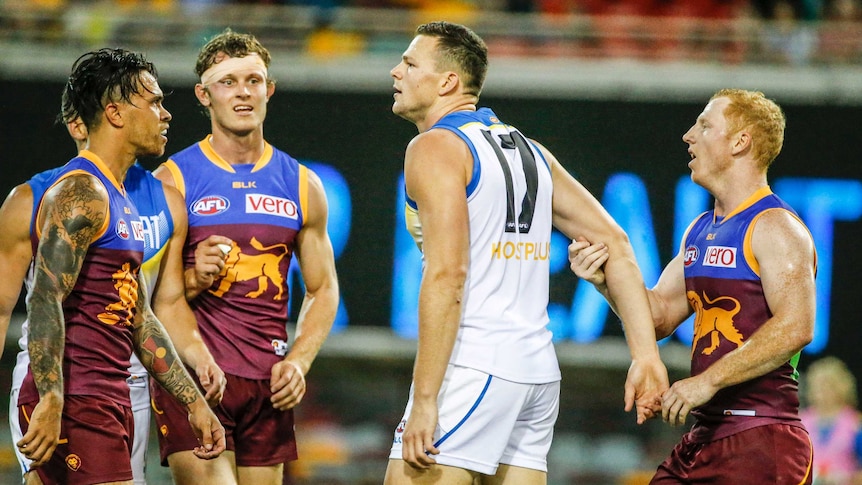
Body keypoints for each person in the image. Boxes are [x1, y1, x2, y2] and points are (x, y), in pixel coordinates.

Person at [383, 21, 668, 485]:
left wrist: (427, 397)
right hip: (536, 371)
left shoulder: (434, 147)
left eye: (411, 63)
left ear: (448, 82)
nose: (396, 72)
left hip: (472, 364)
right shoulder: (531, 151)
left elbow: (448, 275)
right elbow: (615, 242)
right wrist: (645, 355)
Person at [568, 88, 817, 483]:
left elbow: (796, 326)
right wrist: (604, 283)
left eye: (704, 125)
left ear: (740, 142)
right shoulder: (700, 230)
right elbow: (658, 317)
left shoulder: (775, 226)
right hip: (704, 436)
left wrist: (707, 381)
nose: (688, 135)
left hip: (762, 437)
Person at [12, 47, 226, 485]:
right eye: (153, 101)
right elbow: (44, 297)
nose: (165, 114)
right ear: (114, 112)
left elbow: (136, 313)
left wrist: (193, 402)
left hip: (108, 396)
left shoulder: (120, 198)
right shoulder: (81, 192)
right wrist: (53, 398)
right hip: (79, 397)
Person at [150, 28, 340, 485]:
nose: (242, 93)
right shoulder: (171, 179)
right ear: (203, 95)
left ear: (269, 89)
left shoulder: (301, 184)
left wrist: (299, 361)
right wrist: (195, 279)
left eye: (253, 80)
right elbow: (148, 297)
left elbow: (323, 287)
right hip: (197, 377)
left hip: (268, 384)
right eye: (228, 82)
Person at [801, 356, 862, 485]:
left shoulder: (855, 424)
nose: (821, 391)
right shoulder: (800, 422)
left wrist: (845, 479)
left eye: (828, 385)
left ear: (842, 387)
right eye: (817, 386)